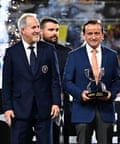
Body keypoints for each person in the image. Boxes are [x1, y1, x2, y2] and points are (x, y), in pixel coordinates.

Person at [1, 13, 61, 144]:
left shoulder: (49, 50)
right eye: (34, 27)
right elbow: (7, 83)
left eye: (38, 27)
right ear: (23, 30)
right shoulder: (12, 53)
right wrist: (7, 108)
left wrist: (56, 103)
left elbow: (55, 79)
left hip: (44, 109)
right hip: (19, 110)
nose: (38, 30)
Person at [62, 19, 120, 144]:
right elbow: (66, 82)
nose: (93, 37)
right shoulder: (74, 55)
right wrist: (80, 94)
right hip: (82, 110)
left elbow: (118, 80)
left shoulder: (112, 55)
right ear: (83, 35)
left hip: (105, 110)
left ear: (102, 35)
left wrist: (111, 94)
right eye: (90, 34)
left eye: (96, 33)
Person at [40, 16, 72, 144]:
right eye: (51, 30)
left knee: (63, 138)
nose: (55, 33)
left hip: (62, 104)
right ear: (41, 31)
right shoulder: (32, 51)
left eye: (57, 30)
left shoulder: (67, 53)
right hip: (37, 104)